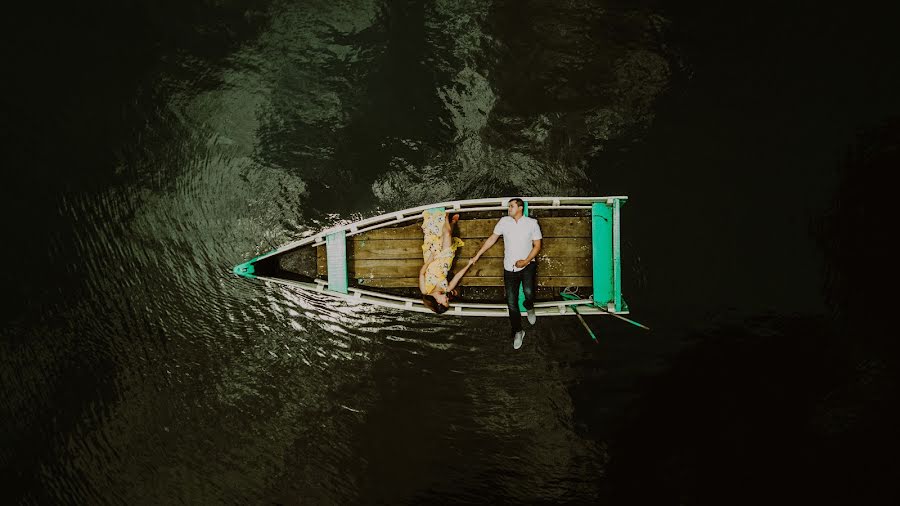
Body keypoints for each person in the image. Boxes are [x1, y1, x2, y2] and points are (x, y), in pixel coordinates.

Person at [469, 198, 542, 349]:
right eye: (509, 206)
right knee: (511, 302)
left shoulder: (531, 223)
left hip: (528, 265)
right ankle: (518, 331)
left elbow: (537, 245)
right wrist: (477, 255)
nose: (509, 209)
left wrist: (526, 260)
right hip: (509, 268)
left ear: (520, 208)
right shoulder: (504, 221)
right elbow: (492, 239)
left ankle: (529, 306)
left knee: (529, 292)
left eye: (511, 206)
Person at [419, 209, 475, 314]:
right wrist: (469, 264)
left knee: (441, 235)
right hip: (445, 259)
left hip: (432, 259)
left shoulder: (425, 291)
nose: (447, 299)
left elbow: (422, 274)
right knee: (448, 234)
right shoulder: (447, 289)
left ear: (438, 302)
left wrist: (429, 260)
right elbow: (458, 276)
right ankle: (446, 216)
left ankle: (450, 221)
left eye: (446, 302)